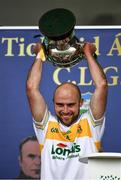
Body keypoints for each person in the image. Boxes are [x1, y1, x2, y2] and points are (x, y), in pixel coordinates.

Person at [26, 42, 108, 180]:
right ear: (53, 103)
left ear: (81, 103)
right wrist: (40, 55)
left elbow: (102, 85)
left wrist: (88, 53)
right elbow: (31, 88)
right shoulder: (46, 126)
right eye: (60, 104)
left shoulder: (91, 124)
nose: (65, 110)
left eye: (70, 105)